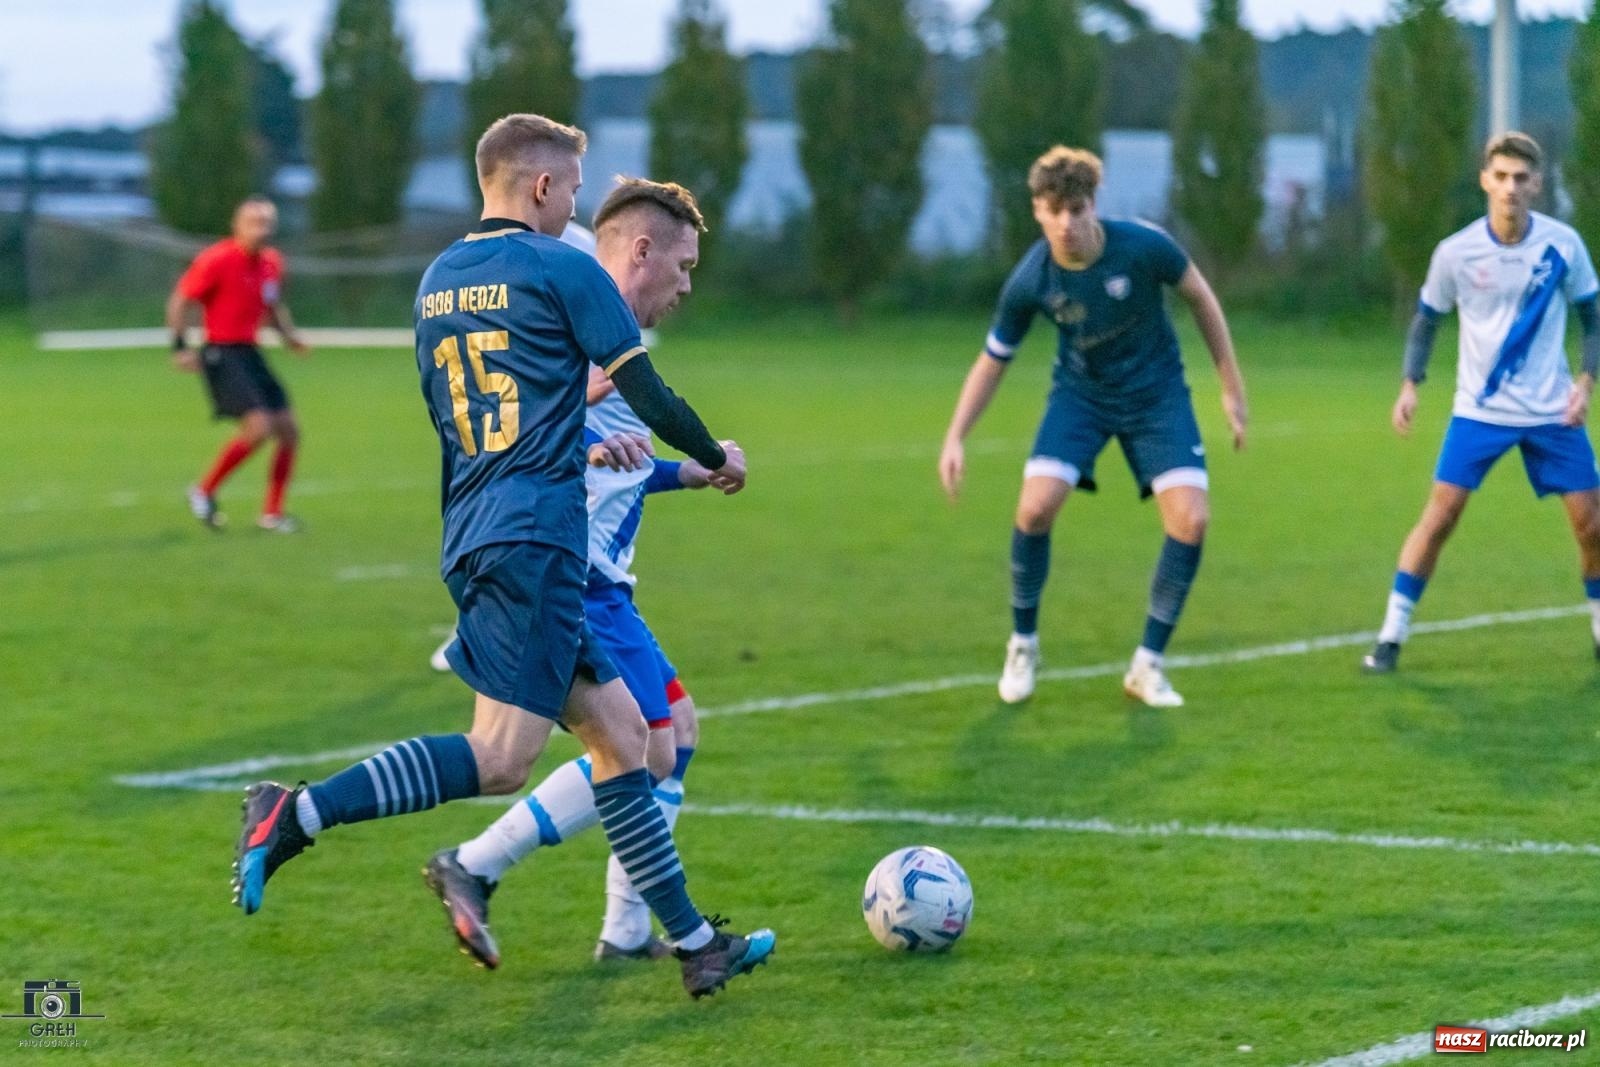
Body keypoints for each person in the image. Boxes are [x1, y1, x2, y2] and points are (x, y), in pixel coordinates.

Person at [229, 114, 774, 1000]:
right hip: (537, 543)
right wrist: (715, 457)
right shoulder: (562, 267)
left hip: (478, 527)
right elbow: (647, 390)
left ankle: (693, 944)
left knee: (627, 736)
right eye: (570, 190)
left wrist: (573, 447)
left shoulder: (438, 281)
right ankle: (296, 811)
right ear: (544, 187)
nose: (573, 207)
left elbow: (466, 419)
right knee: (500, 758)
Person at [426, 178, 729, 969]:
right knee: (638, 749)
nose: (688, 284)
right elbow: (534, 442)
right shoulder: (573, 333)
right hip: (573, 578)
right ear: (639, 251)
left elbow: (610, 466)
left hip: (600, 579)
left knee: (672, 734)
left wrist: (678, 474)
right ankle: (482, 863)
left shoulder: (617, 341)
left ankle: (623, 929)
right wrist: (684, 449)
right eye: (684, 264)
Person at [938, 146, 1248, 708]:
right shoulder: (1032, 278)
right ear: (1037, 210)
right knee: (1033, 509)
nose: (1067, 223)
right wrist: (956, 434)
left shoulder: (1144, 246)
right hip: (1081, 397)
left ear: (1094, 206)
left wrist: (1231, 387)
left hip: (1157, 398)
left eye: (1077, 209)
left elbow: (1201, 298)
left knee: (1192, 520)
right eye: (1054, 210)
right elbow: (993, 358)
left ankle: (1148, 665)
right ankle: (1023, 644)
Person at [1362, 132, 1600, 672]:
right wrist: (1410, 385)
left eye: (1522, 178)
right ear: (1484, 180)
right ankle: (1390, 637)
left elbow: (1592, 317)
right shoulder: (1456, 252)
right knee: (1440, 516)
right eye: (1502, 177)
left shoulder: (1563, 246)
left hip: (1551, 411)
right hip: (1479, 411)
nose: (1511, 188)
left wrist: (1587, 382)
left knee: (1591, 524)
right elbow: (1425, 321)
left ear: (1537, 184)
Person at [168, 196, 310, 532]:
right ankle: (203, 490)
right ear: (237, 225)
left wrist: (290, 338)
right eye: (253, 222)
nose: (261, 229)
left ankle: (272, 513)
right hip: (222, 351)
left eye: (266, 222)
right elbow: (181, 300)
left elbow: (273, 307)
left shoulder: (272, 263)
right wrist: (179, 346)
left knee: (289, 432)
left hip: (250, 351)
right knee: (259, 428)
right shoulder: (216, 259)